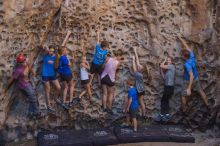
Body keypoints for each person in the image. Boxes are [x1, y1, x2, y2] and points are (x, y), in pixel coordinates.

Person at [4, 53, 42, 118]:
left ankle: (31, 112)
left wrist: (32, 72)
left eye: (24, 60)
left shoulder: (25, 64)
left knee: (32, 97)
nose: (24, 62)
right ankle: (36, 113)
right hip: (23, 85)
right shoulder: (18, 70)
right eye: (22, 61)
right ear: (19, 63)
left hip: (27, 83)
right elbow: (12, 79)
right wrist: (5, 89)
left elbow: (30, 67)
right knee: (32, 97)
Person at [178, 36, 208, 112]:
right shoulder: (191, 56)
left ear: (184, 57)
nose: (181, 56)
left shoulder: (187, 64)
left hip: (188, 80)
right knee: (201, 92)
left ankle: (184, 109)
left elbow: (190, 75)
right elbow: (186, 46)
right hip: (196, 78)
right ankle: (207, 105)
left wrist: (189, 88)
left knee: (183, 96)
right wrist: (180, 38)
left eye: (181, 55)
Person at [101, 49, 124, 114]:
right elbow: (115, 69)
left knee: (104, 93)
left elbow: (103, 66)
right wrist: (119, 61)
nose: (120, 58)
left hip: (103, 77)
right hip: (110, 78)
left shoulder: (107, 58)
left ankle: (104, 108)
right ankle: (109, 108)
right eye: (120, 56)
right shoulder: (118, 63)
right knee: (110, 93)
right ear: (119, 55)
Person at [41, 45, 61, 113]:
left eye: (52, 51)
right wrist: (46, 49)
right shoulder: (45, 55)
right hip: (45, 75)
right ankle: (49, 106)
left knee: (58, 87)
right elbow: (43, 47)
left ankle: (55, 98)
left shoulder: (56, 56)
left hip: (52, 74)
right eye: (50, 51)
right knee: (48, 90)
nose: (51, 52)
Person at [156, 57, 175, 122]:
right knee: (166, 101)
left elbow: (162, 65)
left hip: (169, 87)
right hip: (167, 87)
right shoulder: (168, 71)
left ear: (171, 61)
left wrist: (164, 60)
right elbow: (163, 77)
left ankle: (162, 115)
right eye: (167, 60)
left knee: (163, 101)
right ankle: (166, 114)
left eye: (169, 60)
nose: (168, 61)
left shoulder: (171, 66)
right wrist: (161, 69)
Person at [130, 47, 146, 118]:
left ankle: (134, 115)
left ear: (140, 69)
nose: (138, 65)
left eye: (139, 66)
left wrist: (133, 60)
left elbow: (134, 67)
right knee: (141, 102)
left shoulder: (138, 74)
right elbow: (138, 61)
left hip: (138, 90)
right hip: (142, 89)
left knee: (134, 101)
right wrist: (135, 51)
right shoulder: (141, 74)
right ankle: (144, 115)